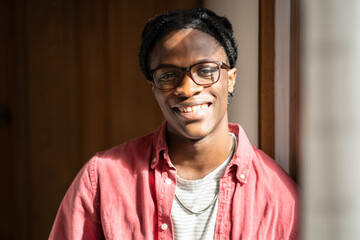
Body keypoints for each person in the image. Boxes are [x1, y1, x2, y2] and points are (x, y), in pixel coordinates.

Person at [49, 7, 298, 239]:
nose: (187, 88)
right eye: (168, 75)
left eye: (205, 70)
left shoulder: (279, 197)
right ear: (153, 87)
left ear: (230, 79)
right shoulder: (101, 180)